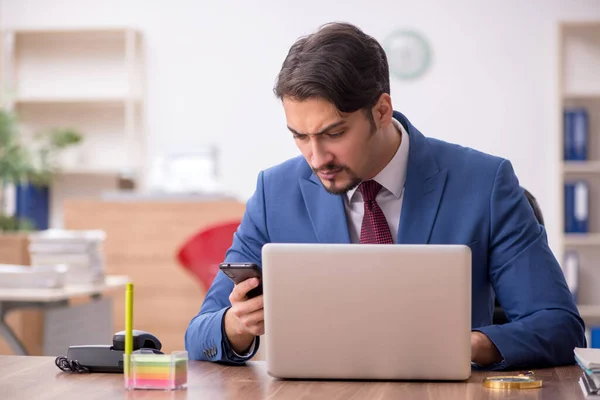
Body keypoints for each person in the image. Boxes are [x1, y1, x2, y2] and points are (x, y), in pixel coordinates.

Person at [185, 22, 585, 369]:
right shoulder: (275, 193)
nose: (316, 157)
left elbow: (560, 327)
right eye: (300, 137)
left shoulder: (486, 183)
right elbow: (198, 335)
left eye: (334, 133)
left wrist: (467, 345)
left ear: (381, 111)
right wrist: (237, 326)